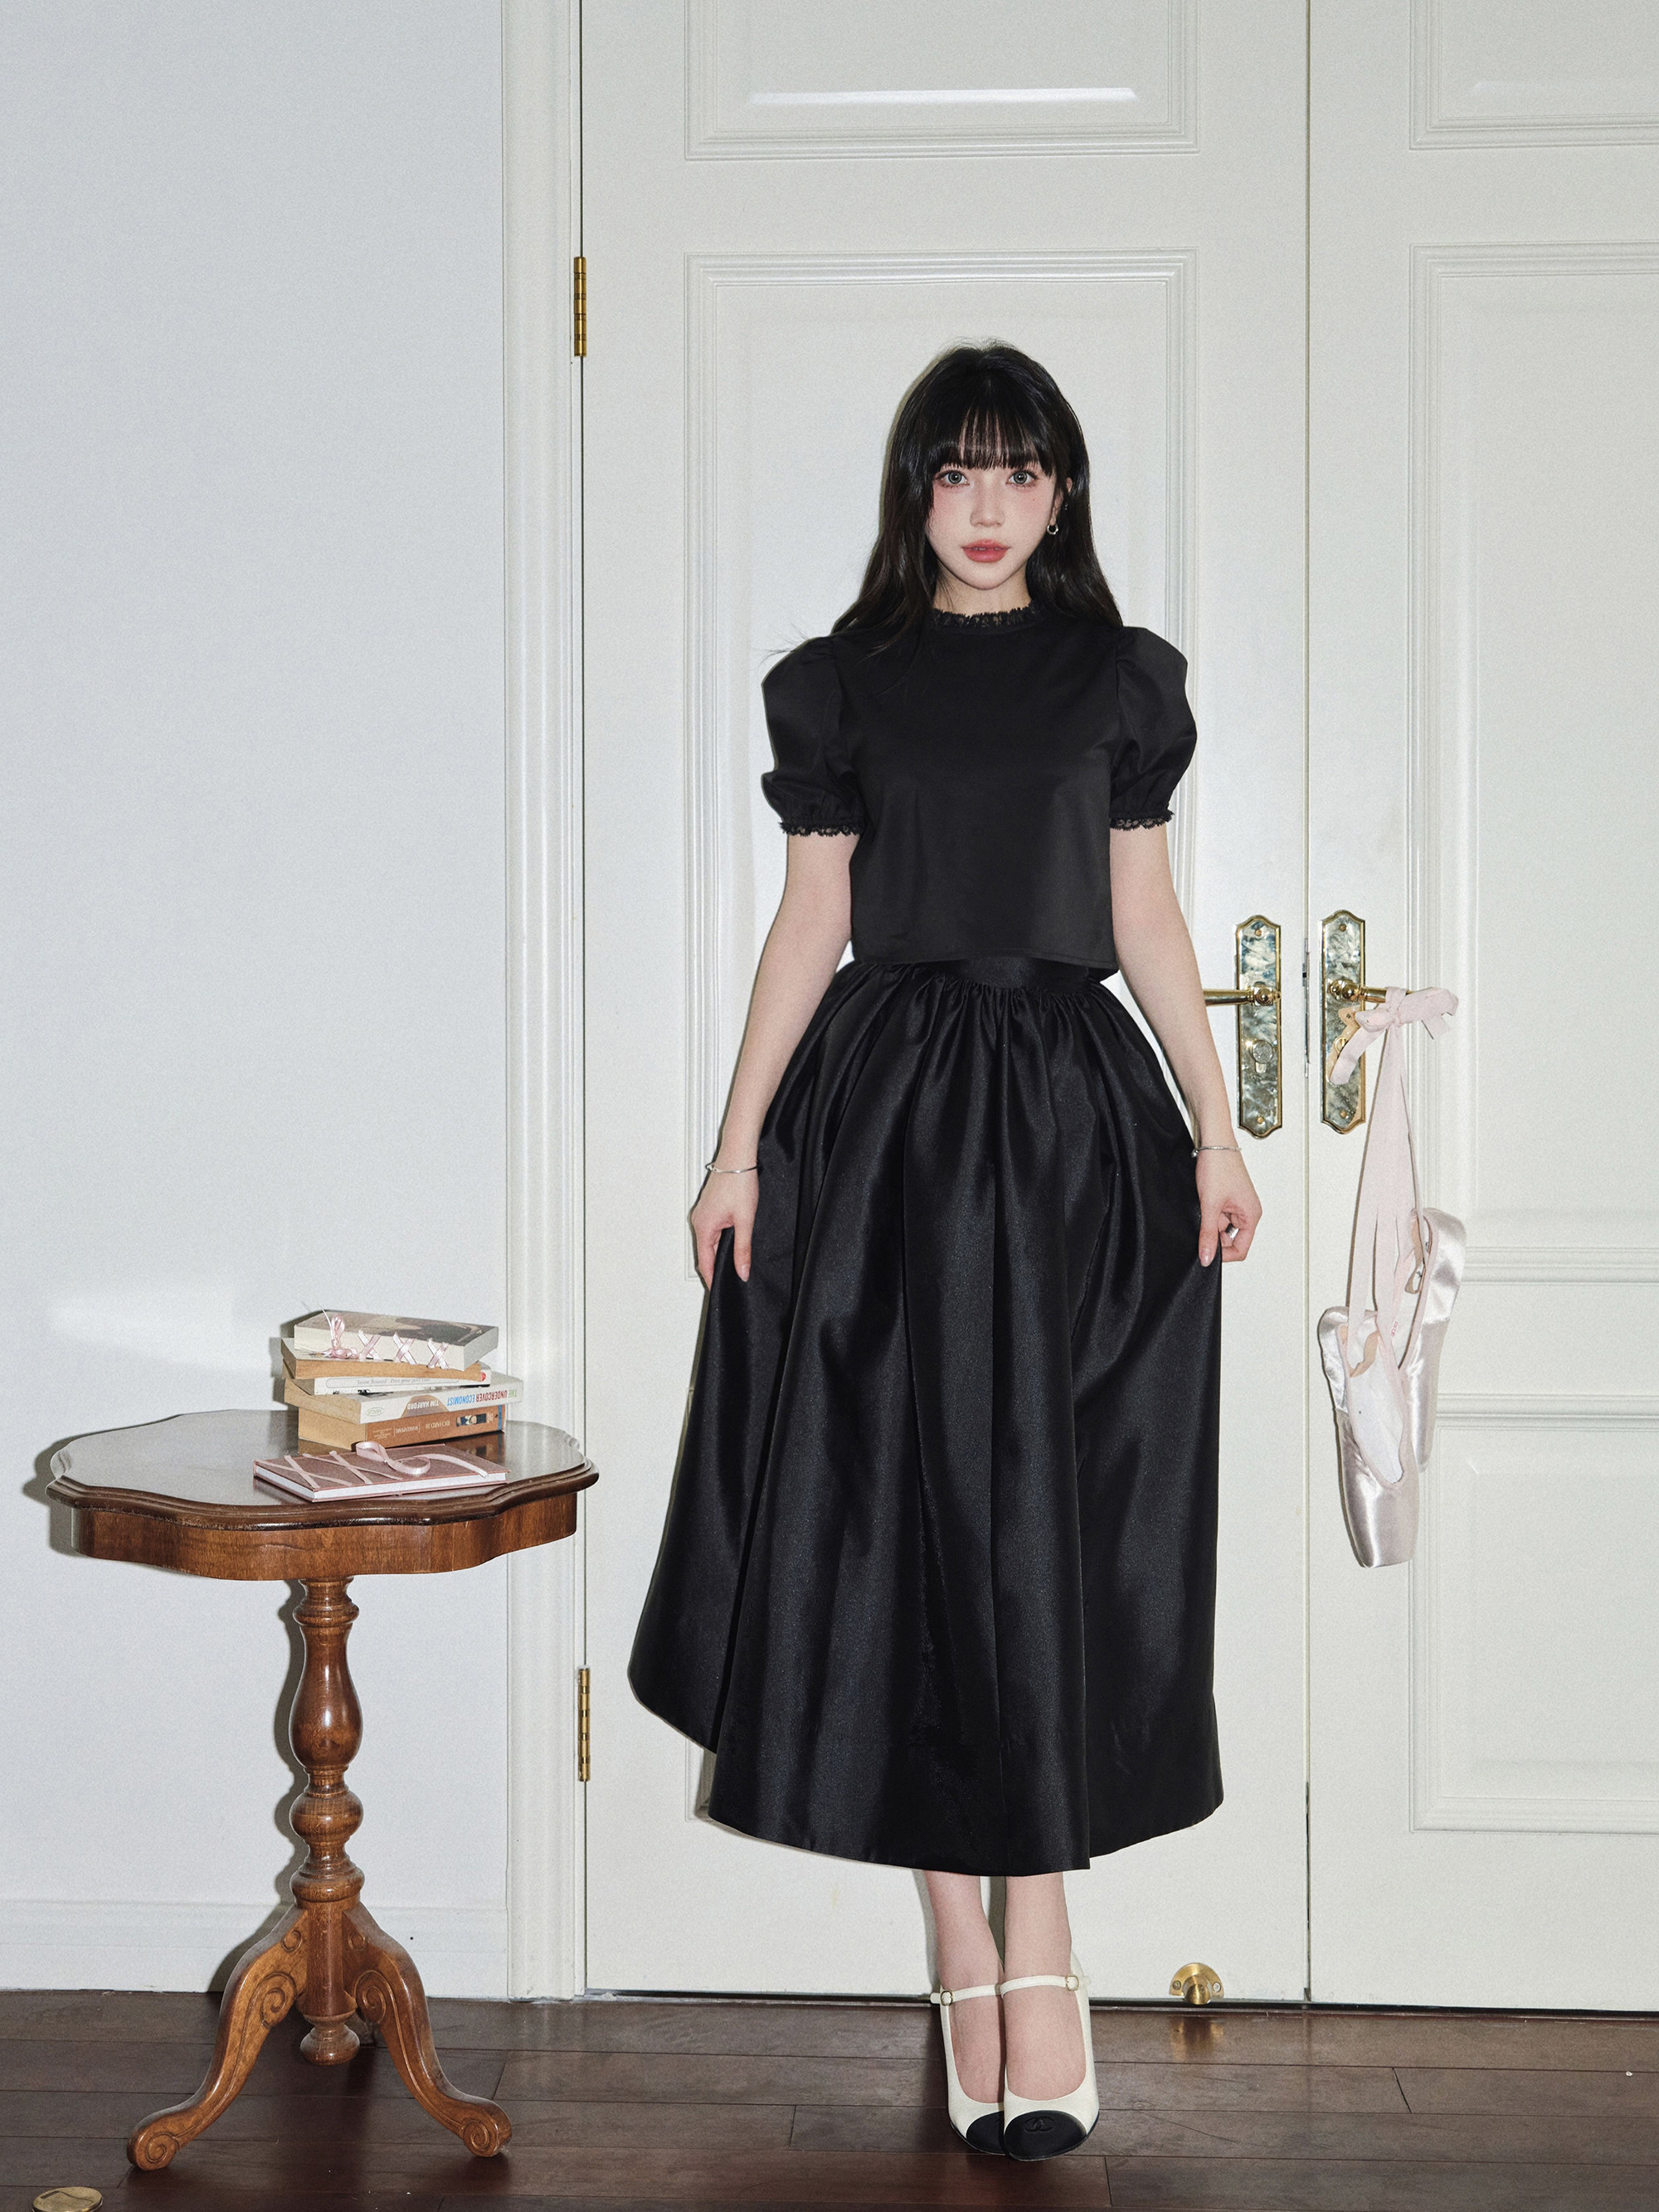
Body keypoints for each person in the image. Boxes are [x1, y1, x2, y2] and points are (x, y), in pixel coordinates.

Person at [628, 341, 1262, 2162]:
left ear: (1063, 494)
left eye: (1020, 473)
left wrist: (1217, 1129)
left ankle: (1039, 1929)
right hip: (886, 1126)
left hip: (1071, 1125)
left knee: (1047, 1519)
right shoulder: (841, 684)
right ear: (915, 493)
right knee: (902, 1513)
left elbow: (1145, 911)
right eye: (955, 473)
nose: (987, 508)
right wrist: (735, 1150)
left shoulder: (1120, 679)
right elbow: (809, 919)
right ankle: (955, 1938)